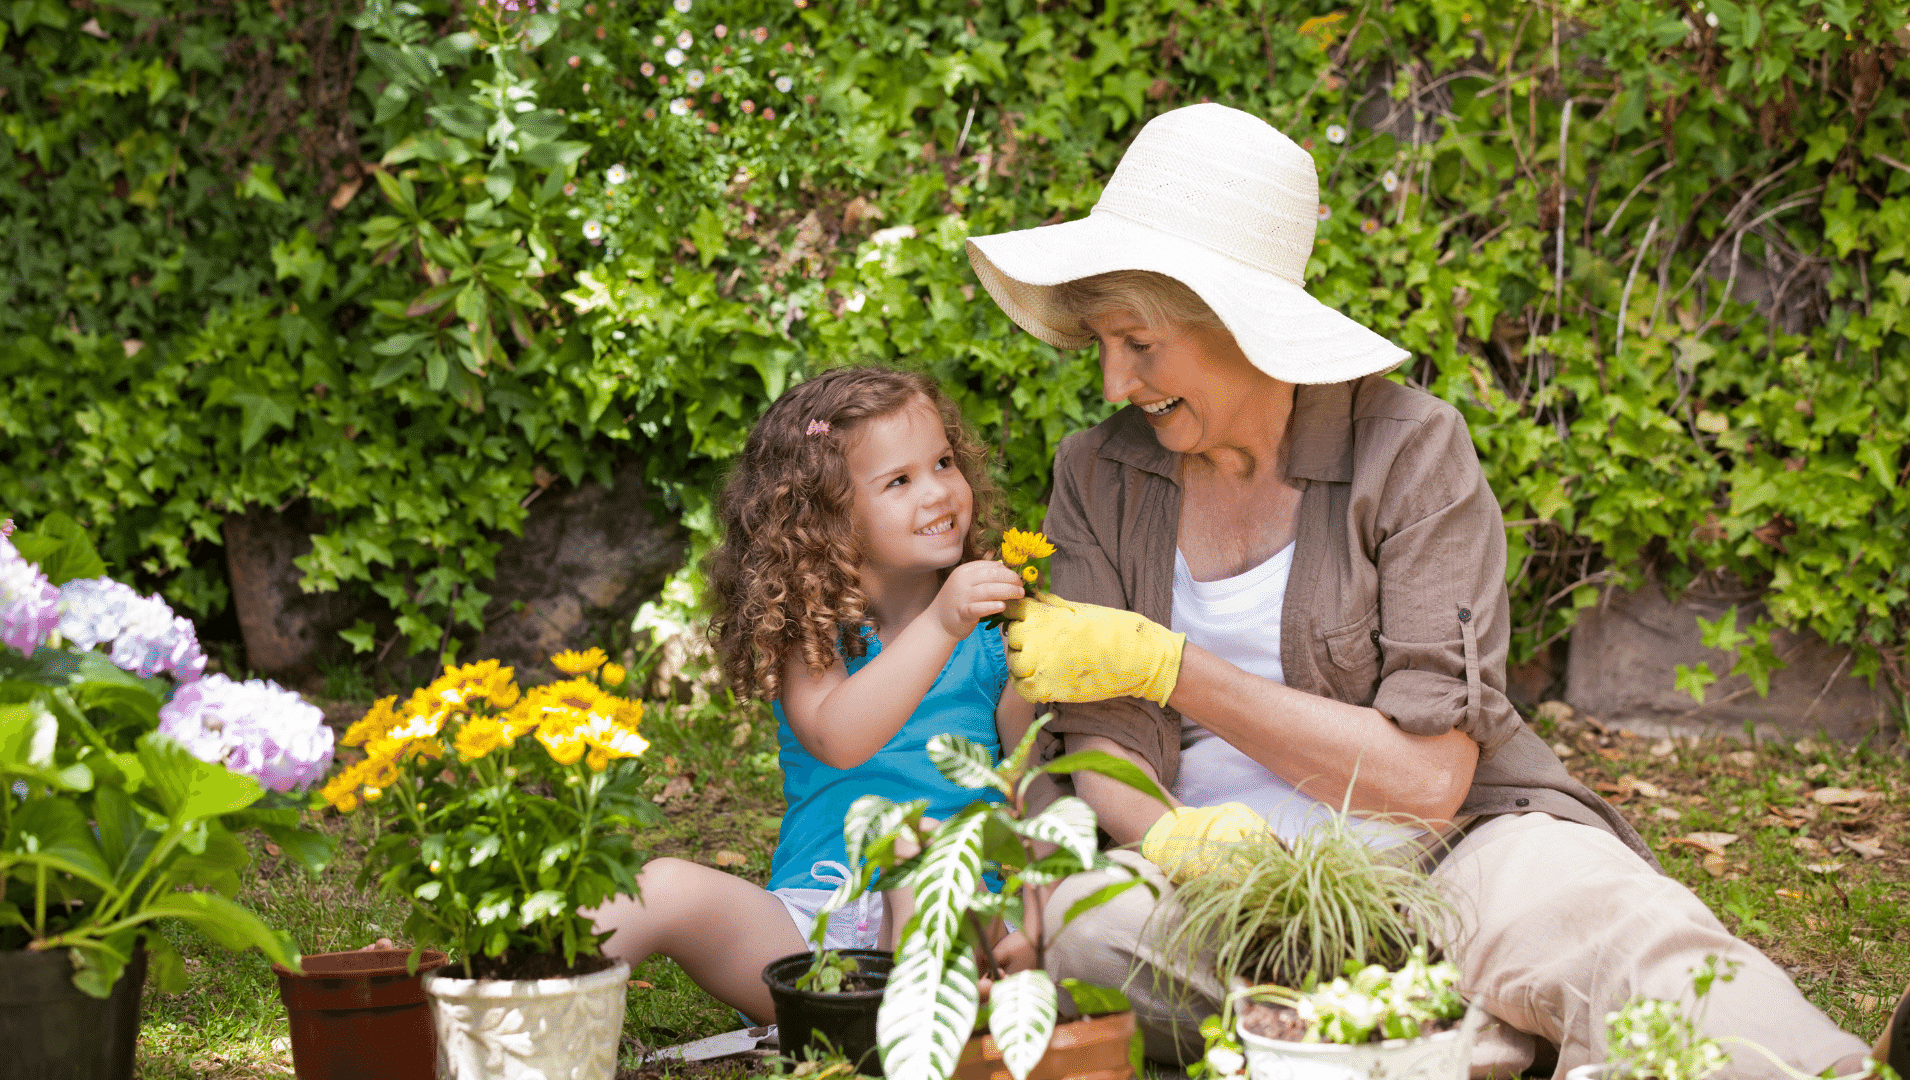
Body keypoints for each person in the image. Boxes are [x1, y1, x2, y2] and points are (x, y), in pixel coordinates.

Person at [965, 102, 1906, 1078]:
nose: (1114, 381)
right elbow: (1099, 742)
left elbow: (1426, 782)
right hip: (1209, 899)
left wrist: (1176, 669)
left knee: (1602, 911)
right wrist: (1181, 843)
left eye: (1139, 343)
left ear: (1239, 324)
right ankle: (1463, 1027)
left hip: (1441, 856)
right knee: (1087, 929)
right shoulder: (1099, 472)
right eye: (1102, 344)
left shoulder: (1410, 451)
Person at [585, 366, 1035, 1024]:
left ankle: (908, 1043)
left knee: (924, 853)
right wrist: (942, 624)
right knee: (658, 887)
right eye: (899, 481)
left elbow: (1035, 786)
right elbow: (839, 737)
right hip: (807, 936)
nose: (938, 492)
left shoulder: (998, 636)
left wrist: (1031, 921)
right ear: (829, 515)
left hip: (953, 918)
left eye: (943, 462)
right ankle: (511, 1008)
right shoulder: (813, 632)